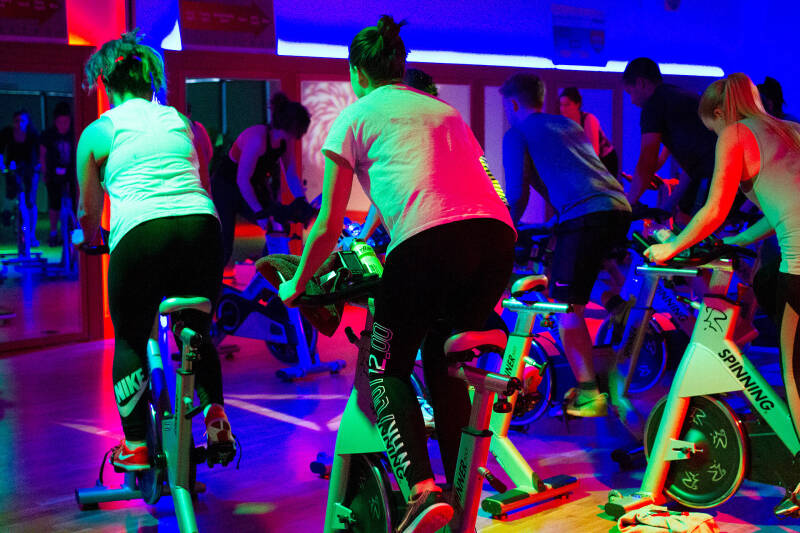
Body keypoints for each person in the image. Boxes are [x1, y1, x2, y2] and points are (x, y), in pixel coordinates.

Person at [279, 16, 515, 533]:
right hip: (498, 243)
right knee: (440, 354)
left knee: (385, 367)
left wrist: (297, 283)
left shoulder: (357, 114)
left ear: (357, 72)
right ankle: (459, 493)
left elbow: (326, 224)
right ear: (401, 67)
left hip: (429, 245)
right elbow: (466, 188)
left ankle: (422, 493)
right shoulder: (442, 110)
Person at [642, 73, 800, 517]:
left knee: (796, 379)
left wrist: (673, 245)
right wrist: (739, 240)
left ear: (717, 114)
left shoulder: (734, 133)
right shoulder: (790, 130)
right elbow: (781, 209)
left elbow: (714, 207)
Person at [76, 30, 235, 471]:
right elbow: (201, 184)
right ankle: (215, 414)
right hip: (202, 229)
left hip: (141, 235)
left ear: (106, 83)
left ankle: (136, 445)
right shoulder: (185, 123)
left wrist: (89, 238)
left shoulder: (97, 132)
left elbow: (89, 211)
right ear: (152, 80)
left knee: (129, 335)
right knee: (197, 331)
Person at [500, 73, 631, 418]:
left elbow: (516, 195)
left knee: (565, 307)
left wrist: (503, 231)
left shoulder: (517, 133)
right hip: (618, 209)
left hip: (585, 216)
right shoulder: (567, 124)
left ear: (513, 104)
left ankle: (589, 394)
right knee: (585, 272)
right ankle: (619, 308)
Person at [211, 93, 311, 267]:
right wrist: (259, 212)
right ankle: (212, 287)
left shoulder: (284, 142)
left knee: (276, 225)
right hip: (226, 187)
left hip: (251, 185)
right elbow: (242, 180)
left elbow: (291, 173)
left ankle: (268, 275)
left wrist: (302, 200)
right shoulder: (257, 139)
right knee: (225, 242)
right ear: (291, 127)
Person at [622, 57, 717, 217]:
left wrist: (629, 203)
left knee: (689, 224)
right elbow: (695, 158)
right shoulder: (678, 98)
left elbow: (648, 157)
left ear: (641, 83)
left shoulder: (653, 106)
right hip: (727, 172)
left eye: (630, 92)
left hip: (713, 177)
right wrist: (667, 204)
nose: (631, 101)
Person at [559, 87, 620, 178]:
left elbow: (594, 151)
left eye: (567, 105)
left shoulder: (589, 120)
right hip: (587, 161)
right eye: (561, 105)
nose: (563, 109)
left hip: (606, 161)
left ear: (577, 104)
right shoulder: (566, 125)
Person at [0, 109, 40, 246]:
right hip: (12, 167)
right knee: (10, 196)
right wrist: (1, 165)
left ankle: (31, 234)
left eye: (22, 121)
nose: (19, 124)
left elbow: (39, 153)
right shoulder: (7, 133)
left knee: (30, 201)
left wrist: (38, 166)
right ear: (13, 122)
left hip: (29, 168)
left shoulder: (32, 134)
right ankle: (7, 214)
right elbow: (0, 150)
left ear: (27, 122)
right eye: (17, 121)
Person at [40, 102, 77, 246]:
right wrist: (45, 172)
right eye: (60, 122)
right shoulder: (48, 135)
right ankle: (53, 232)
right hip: (53, 173)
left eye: (66, 122)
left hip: (71, 174)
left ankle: (75, 230)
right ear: (55, 122)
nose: (63, 125)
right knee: (54, 203)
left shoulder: (74, 132)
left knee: (75, 202)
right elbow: (42, 153)